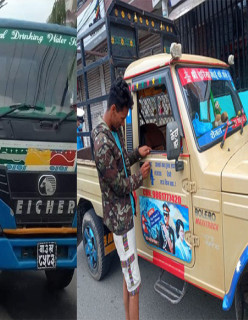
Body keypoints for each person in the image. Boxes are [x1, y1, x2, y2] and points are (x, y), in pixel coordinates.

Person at [92, 78, 151, 320]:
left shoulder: (112, 132)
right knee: (135, 283)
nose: (124, 121)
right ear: (113, 109)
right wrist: (140, 177)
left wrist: (137, 153)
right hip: (120, 221)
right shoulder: (101, 141)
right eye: (123, 116)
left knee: (129, 277)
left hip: (125, 217)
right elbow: (117, 184)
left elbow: (121, 162)